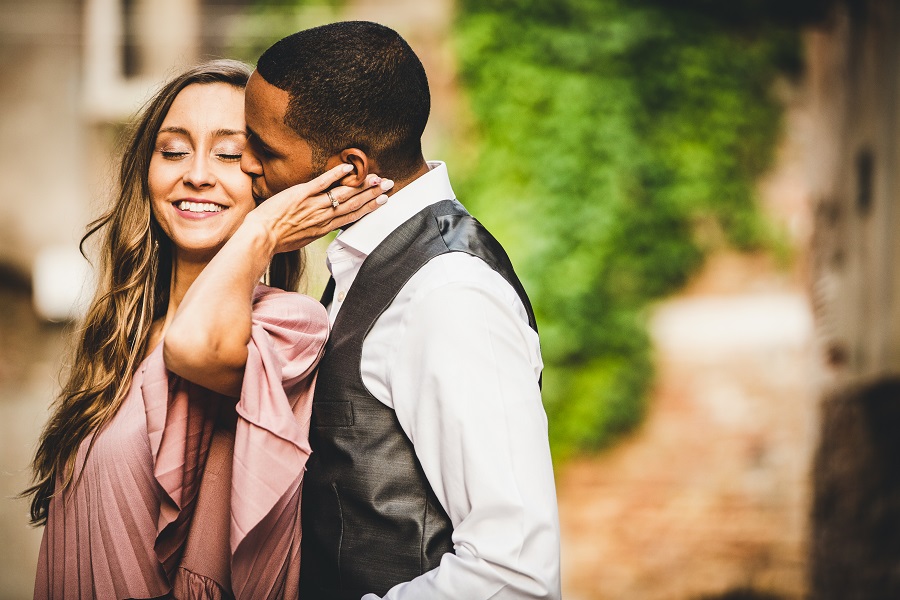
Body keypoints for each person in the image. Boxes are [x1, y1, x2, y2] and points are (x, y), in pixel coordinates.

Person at [25, 59, 390, 599]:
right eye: (173, 151)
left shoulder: (287, 327)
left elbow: (193, 347)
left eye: (231, 155)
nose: (196, 173)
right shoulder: (122, 332)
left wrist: (264, 228)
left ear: (269, 183)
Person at [241, 21, 562, 599]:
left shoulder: (450, 295)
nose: (247, 166)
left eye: (265, 150)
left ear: (352, 169)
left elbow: (515, 575)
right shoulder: (372, 261)